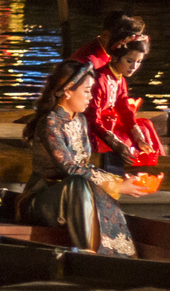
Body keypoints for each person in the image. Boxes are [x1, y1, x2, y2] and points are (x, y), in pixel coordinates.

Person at [16, 60, 150, 256]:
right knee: (77, 184)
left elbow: (84, 167)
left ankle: (124, 256)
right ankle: (88, 255)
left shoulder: (80, 120)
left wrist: (119, 181)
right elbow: (70, 168)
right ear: (68, 91)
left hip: (77, 196)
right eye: (87, 91)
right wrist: (116, 184)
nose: (91, 96)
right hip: (42, 201)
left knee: (92, 188)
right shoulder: (50, 123)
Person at [87, 37, 163, 173]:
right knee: (130, 143)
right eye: (129, 61)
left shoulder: (120, 80)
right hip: (95, 129)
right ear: (115, 58)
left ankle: (156, 166)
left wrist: (139, 139)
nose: (134, 67)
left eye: (138, 62)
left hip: (109, 124)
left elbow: (125, 112)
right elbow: (93, 120)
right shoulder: (99, 80)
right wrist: (116, 144)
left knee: (145, 127)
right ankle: (137, 171)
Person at [69, 11, 146, 70]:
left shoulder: (108, 53)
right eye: (123, 43)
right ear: (106, 35)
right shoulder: (87, 63)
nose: (126, 48)